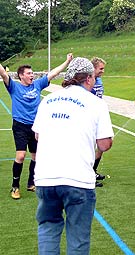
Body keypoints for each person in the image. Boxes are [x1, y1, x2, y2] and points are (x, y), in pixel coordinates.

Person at [32, 57, 114, 254]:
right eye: (94, 77)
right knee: (78, 237)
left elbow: (37, 134)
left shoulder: (48, 100)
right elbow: (104, 144)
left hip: (45, 178)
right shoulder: (96, 103)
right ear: (87, 78)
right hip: (77, 180)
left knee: (48, 230)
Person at [0, 53, 73, 200]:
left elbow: (53, 73)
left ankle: (31, 183)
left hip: (36, 126)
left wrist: (67, 61)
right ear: (21, 76)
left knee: (36, 156)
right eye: (28, 73)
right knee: (20, 156)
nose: (32, 75)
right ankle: (15, 186)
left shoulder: (37, 85)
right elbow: (2, 72)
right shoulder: (13, 87)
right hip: (20, 126)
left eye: (32, 73)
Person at [90, 57, 107, 187]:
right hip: (89, 119)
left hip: (98, 117)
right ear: (93, 68)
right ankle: (88, 176)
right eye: (101, 68)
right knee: (90, 147)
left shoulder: (99, 80)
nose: (103, 71)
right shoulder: (87, 81)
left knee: (101, 146)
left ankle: (93, 171)